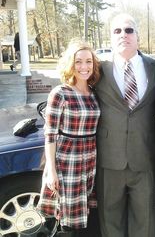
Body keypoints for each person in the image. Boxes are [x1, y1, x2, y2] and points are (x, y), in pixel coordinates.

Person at [95, 13, 155, 237]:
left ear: (138, 37)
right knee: (110, 218)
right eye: (117, 31)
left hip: (144, 156)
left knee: (146, 220)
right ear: (110, 38)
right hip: (109, 158)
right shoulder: (98, 70)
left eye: (129, 30)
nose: (123, 35)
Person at [37, 39, 100, 237]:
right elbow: (50, 134)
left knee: (87, 216)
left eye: (88, 61)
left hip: (90, 159)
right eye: (78, 61)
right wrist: (51, 171)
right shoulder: (60, 93)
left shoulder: (93, 93)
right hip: (68, 160)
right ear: (70, 64)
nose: (84, 66)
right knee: (68, 220)